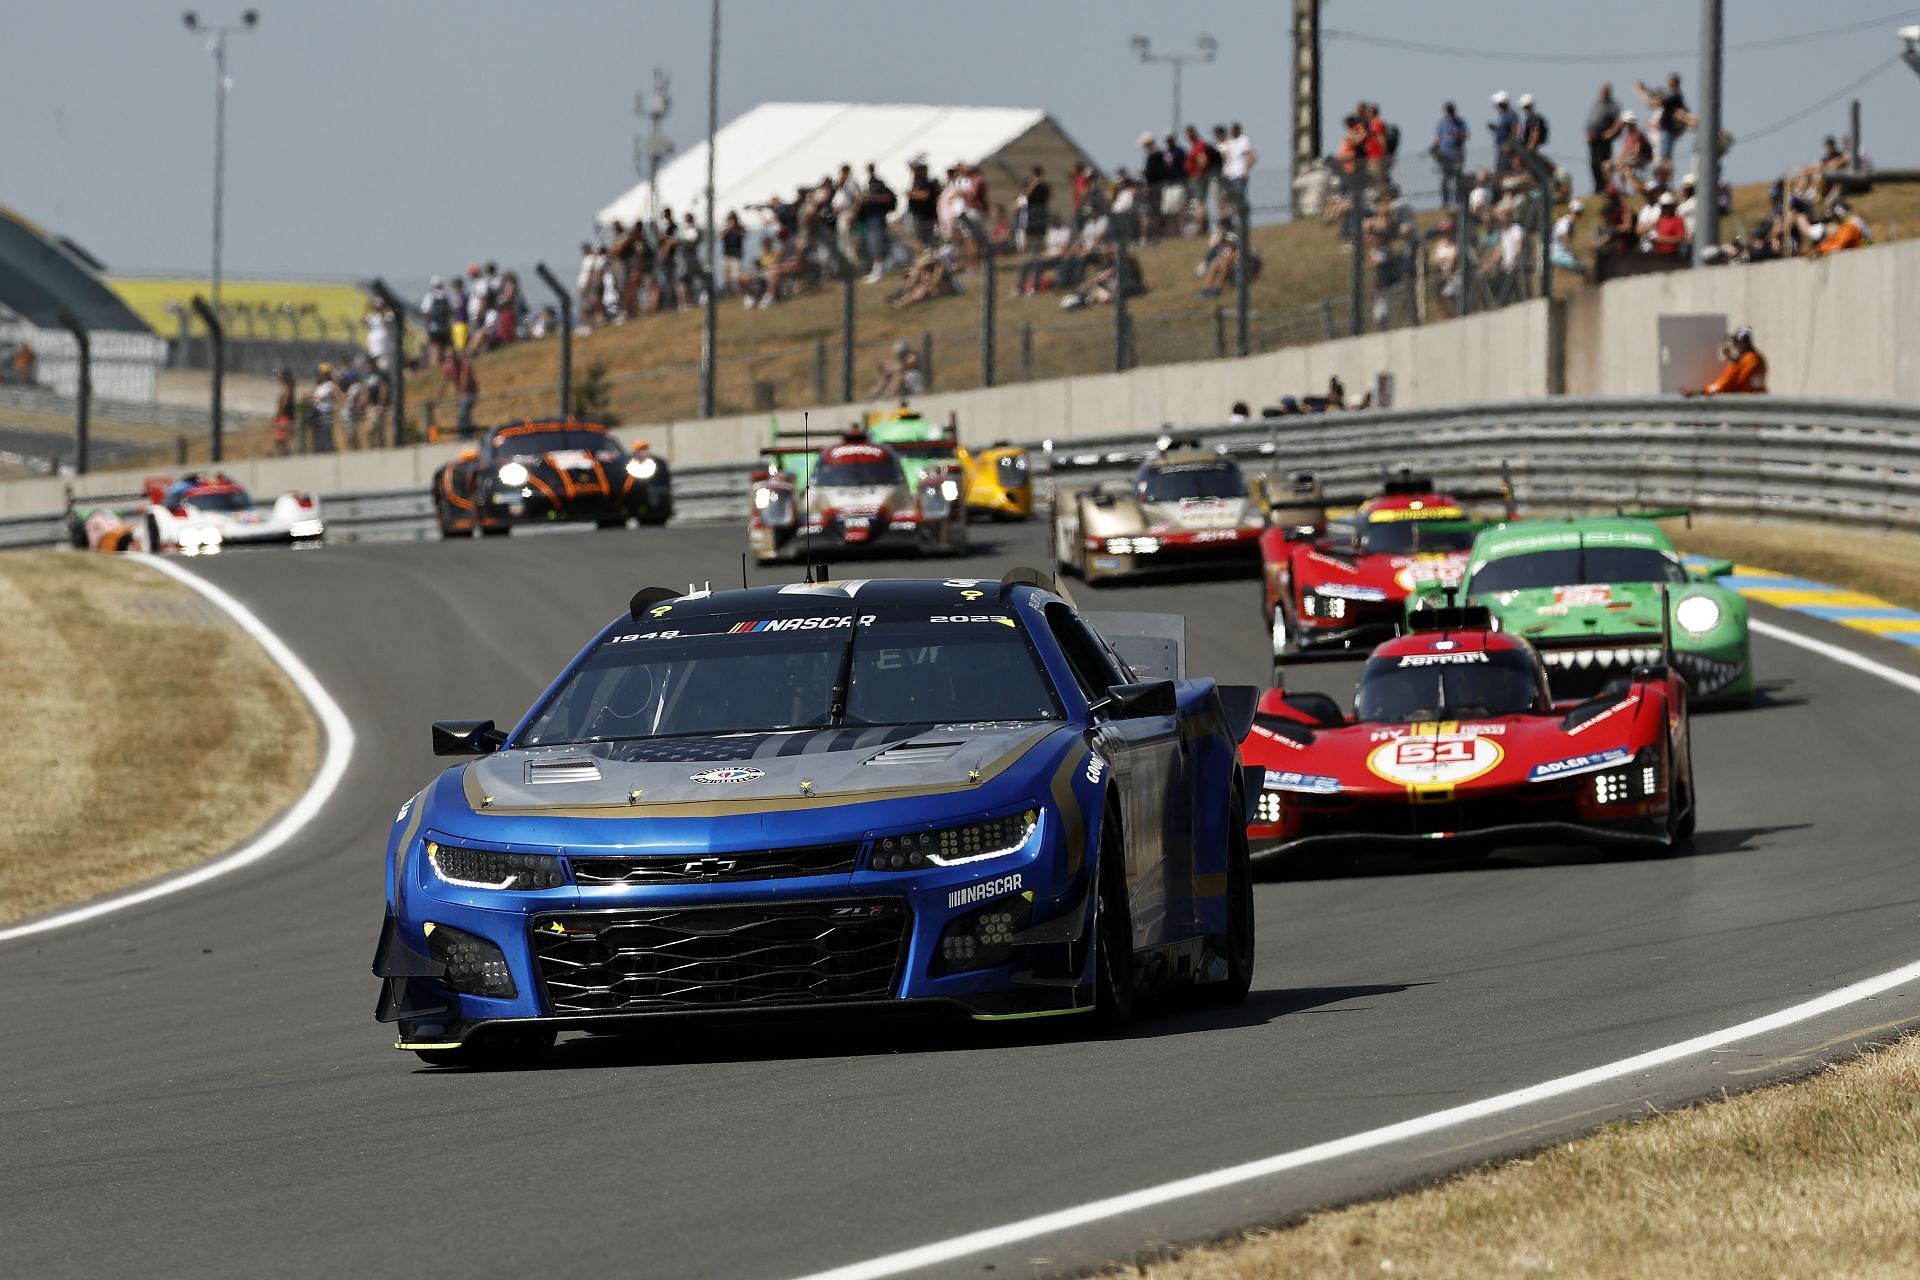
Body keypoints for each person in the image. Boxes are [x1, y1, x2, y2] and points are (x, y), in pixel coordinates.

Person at [1686, 327, 1767, 397]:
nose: (1734, 345)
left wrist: (1700, 391)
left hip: (1747, 404)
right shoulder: (1757, 357)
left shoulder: (1749, 360)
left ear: (1742, 342)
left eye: (1735, 342)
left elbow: (1727, 382)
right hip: (1756, 399)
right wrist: (1732, 358)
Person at [1635, 74, 1693, 165]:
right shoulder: (1672, 95)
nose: (1668, 83)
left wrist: (1643, 93)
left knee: (1665, 157)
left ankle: (1666, 173)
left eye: (1670, 81)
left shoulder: (1675, 95)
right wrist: (1646, 91)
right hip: (1666, 129)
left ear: (1674, 83)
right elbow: (1657, 96)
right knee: (1663, 156)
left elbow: (1659, 101)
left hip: (1668, 129)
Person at [1585, 83, 1622, 194]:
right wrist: (1587, 134)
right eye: (1602, 91)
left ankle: (1606, 187)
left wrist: (1611, 132)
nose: (1603, 93)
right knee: (1594, 164)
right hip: (1593, 138)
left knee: (1603, 164)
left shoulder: (1613, 105)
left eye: (1606, 91)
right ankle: (1598, 187)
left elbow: (1619, 120)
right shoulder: (1597, 104)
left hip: (1603, 139)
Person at [1432, 101, 1469, 206]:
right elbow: (1438, 138)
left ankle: (1459, 201)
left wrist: (1457, 134)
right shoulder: (1442, 123)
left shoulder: (1461, 123)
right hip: (1445, 156)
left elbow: (1466, 137)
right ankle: (1445, 202)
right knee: (1444, 180)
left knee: (1458, 180)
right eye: (1448, 111)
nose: (1450, 113)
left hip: (1457, 154)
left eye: (1451, 111)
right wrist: (1435, 149)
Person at [1220, 121, 1257, 213]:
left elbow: (1252, 156)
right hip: (1228, 175)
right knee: (1228, 199)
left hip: (1239, 175)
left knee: (1240, 197)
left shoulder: (1243, 140)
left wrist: (1246, 170)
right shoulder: (1229, 142)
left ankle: (1243, 215)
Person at [420, 276, 453, 369]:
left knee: (435, 349)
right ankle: (448, 368)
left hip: (434, 328)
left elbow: (424, 313)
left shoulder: (430, 296)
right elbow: (451, 311)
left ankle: (435, 369)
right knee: (447, 349)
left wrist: (427, 325)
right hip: (445, 327)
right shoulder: (446, 296)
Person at [1550, 199, 1587, 281]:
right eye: (1577, 213)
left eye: (1580, 213)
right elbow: (1565, 237)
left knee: (1582, 267)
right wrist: (1572, 252)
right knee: (1582, 268)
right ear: (1572, 211)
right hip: (1556, 252)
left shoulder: (1570, 223)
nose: (1578, 216)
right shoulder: (1565, 222)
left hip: (1561, 252)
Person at [1487, 91, 1520, 168]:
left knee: (1505, 168)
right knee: (1500, 167)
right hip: (1501, 147)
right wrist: (1495, 128)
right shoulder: (1503, 114)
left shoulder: (1511, 114)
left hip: (1507, 148)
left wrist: (1511, 145)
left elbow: (1515, 129)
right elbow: (1504, 130)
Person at [271, 367, 296, 456]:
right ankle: (286, 455)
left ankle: (283, 455)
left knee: (280, 439)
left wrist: (277, 416)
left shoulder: (287, 389)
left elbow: (283, 404)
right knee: (287, 438)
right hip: (289, 416)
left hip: (284, 417)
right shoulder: (291, 387)